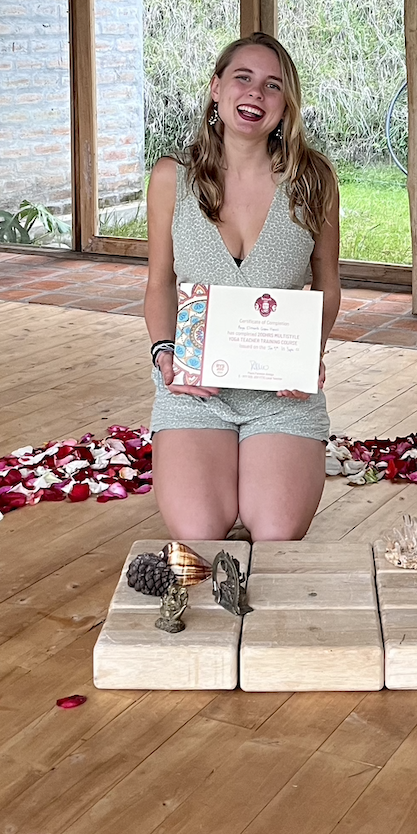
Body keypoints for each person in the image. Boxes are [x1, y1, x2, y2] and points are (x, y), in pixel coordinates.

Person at [145, 34, 341, 542]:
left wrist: (309, 355)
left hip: (281, 394)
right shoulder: (172, 178)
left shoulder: (314, 180)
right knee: (199, 531)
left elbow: (328, 282)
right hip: (195, 390)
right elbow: (159, 282)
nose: (256, 94)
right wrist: (165, 356)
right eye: (243, 78)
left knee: (275, 536)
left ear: (286, 104)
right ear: (216, 89)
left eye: (273, 85)